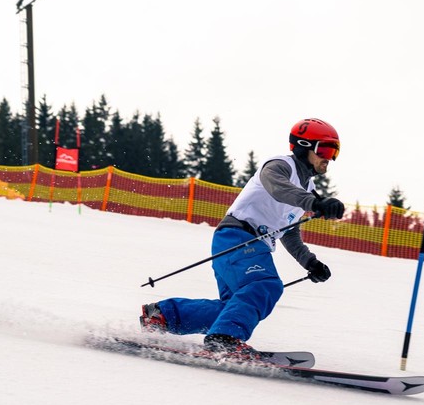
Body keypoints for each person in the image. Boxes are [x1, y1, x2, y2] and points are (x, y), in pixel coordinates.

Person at [139, 118, 346, 360]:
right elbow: (277, 187)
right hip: (239, 237)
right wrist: (314, 203)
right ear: (303, 146)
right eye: (325, 150)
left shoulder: (307, 189)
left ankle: (162, 315)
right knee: (265, 286)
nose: (329, 158)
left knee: (232, 308)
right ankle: (224, 339)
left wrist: (310, 262)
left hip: (241, 243)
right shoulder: (280, 166)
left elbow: (289, 232)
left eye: (334, 152)